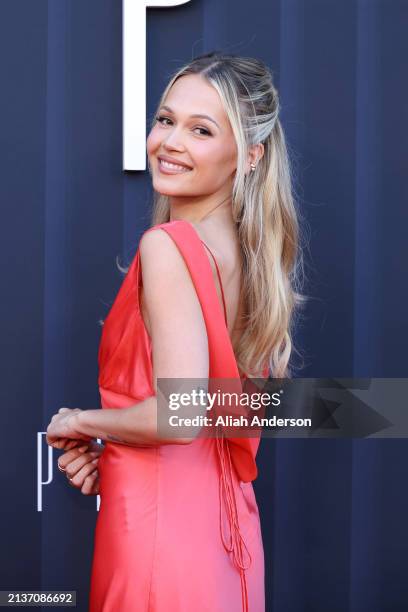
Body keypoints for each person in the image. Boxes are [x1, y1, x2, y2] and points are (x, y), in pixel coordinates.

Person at [46, 51, 304, 612]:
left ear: (249, 155)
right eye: (166, 120)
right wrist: (114, 440)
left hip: (157, 538)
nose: (171, 141)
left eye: (202, 129)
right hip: (226, 532)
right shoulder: (250, 258)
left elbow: (178, 416)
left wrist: (79, 421)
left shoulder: (168, 247)